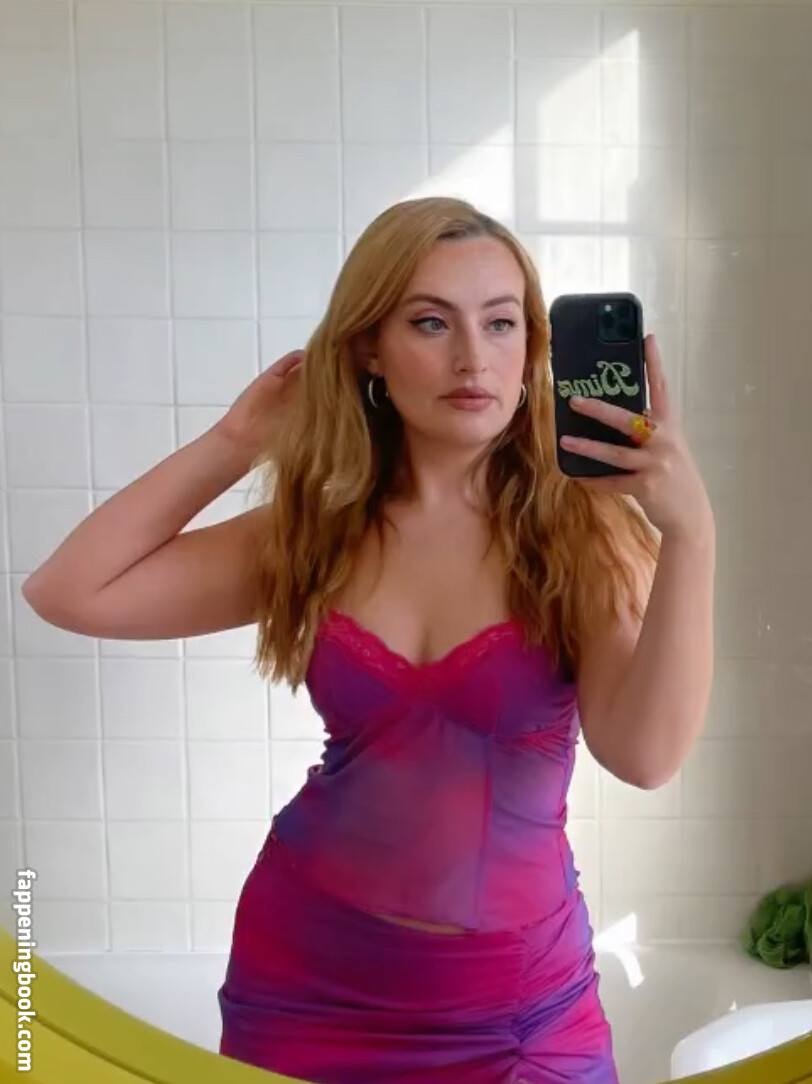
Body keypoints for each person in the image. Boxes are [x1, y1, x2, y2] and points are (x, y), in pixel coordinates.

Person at [23, 197, 715, 1084]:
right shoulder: (318, 531)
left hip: (518, 1015)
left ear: (532, 349)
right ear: (369, 350)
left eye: (500, 323)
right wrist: (235, 441)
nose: (472, 358)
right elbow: (70, 591)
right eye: (431, 322)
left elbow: (646, 757)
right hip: (309, 985)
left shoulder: (582, 534)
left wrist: (691, 535)